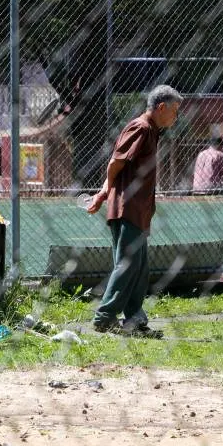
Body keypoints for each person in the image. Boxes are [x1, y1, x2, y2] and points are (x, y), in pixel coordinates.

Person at [86, 84, 182, 337]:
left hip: (138, 211)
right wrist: (103, 194)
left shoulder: (152, 131)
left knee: (139, 268)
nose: (176, 116)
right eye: (175, 111)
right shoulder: (140, 128)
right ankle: (104, 317)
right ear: (161, 108)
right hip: (127, 208)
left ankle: (135, 318)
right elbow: (115, 163)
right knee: (127, 264)